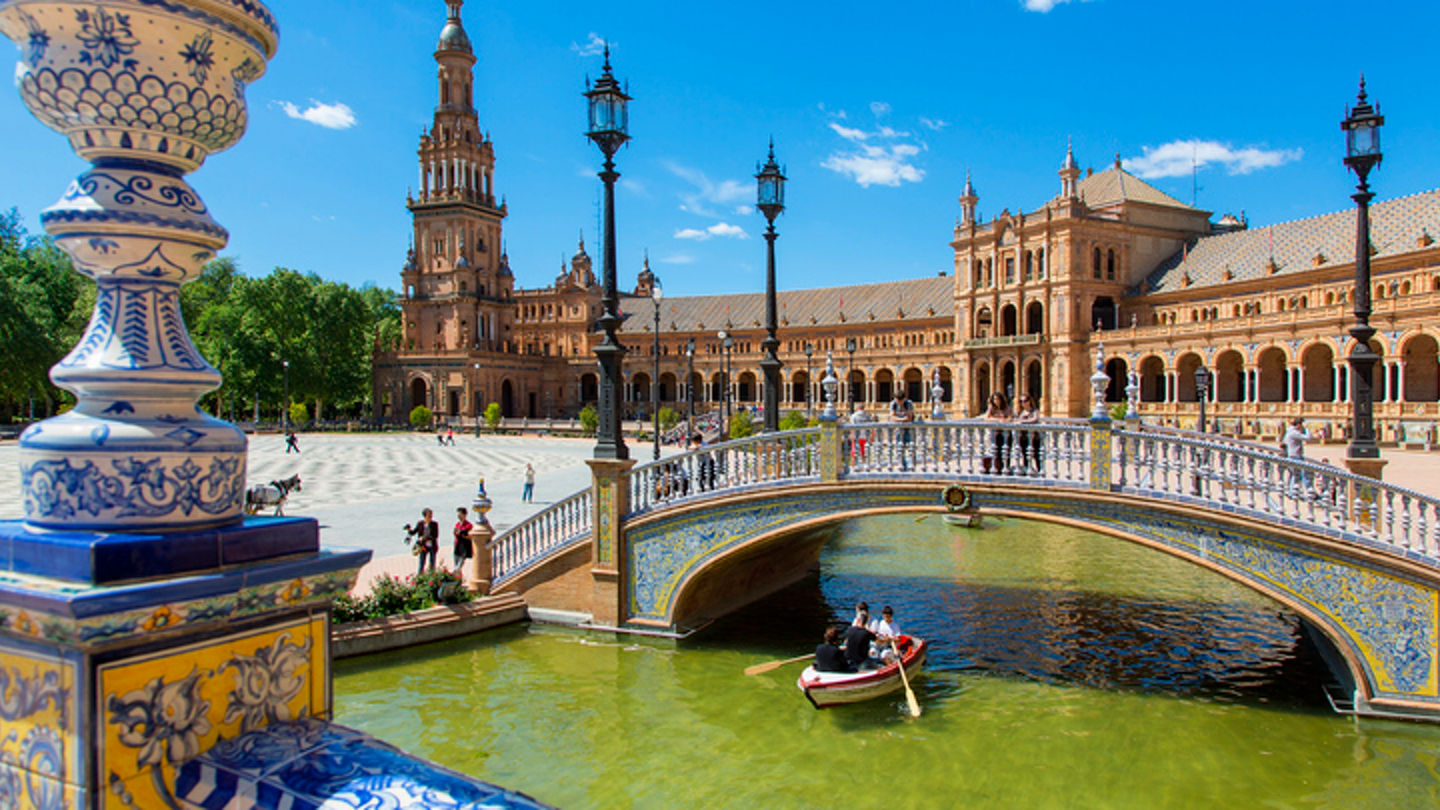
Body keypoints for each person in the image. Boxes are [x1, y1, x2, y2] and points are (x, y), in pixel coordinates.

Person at [983, 393, 1012, 474]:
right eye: (995, 399)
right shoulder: (992, 408)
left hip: (1006, 434)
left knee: (1006, 452)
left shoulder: (1007, 408)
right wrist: (998, 420)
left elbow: (1010, 418)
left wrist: (1004, 420)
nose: (996, 401)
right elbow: (986, 418)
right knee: (997, 452)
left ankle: (1006, 468)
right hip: (996, 434)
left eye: (998, 399)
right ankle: (999, 468)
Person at [405, 508, 439, 575]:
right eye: (429, 516)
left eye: (431, 515)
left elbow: (435, 536)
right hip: (423, 547)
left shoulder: (434, 524)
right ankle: (420, 578)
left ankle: (432, 577)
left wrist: (424, 538)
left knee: (432, 563)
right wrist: (409, 530)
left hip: (432, 546)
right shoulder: (420, 524)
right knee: (421, 563)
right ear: (425, 516)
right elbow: (414, 532)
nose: (430, 517)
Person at [889, 389, 915, 470]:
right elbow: (892, 417)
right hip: (899, 429)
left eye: (901, 400)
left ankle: (911, 465)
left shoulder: (908, 403)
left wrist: (899, 418)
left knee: (911, 446)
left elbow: (910, 417)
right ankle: (901, 465)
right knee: (899, 447)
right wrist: (903, 419)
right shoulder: (893, 404)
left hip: (908, 429)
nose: (899, 402)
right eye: (898, 400)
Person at [1014, 394, 1040, 473]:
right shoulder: (1020, 412)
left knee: (1036, 455)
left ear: (1029, 401)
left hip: (1034, 437)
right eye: (1021, 401)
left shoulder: (1034, 410)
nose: (1023, 403)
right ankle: (1027, 470)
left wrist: (1022, 421)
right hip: (1023, 437)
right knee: (1025, 455)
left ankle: (1039, 471)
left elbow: (1035, 419)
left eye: (1025, 401)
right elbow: (1015, 420)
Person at [451, 506, 473, 576]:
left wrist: (462, 534)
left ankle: (455, 575)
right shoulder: (457, 524)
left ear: (464, 515)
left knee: (459, 565)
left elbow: (470, 536)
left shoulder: (468, 525)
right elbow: (455, 534)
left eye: (460, 515)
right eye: (458, 515)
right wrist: (456, 533)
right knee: (456, 563)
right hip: (457, 545)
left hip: (464, 547)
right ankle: (458, 581)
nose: (459, 516)